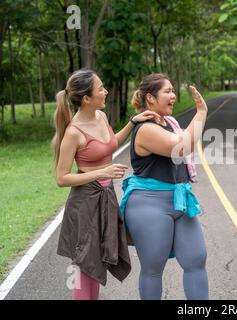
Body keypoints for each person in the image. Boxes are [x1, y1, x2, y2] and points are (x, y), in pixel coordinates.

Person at [53, 69, 158, 300]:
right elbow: (62, 178)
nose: (106, 91)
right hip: (85, 202)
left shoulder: (101, 117)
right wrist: (102, 171)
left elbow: (110, 144)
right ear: (87, 98)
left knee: (98, 261)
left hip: (106, 196)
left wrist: (132, 122)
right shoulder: (73, 132)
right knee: (85, 265)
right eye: (100, 88)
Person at [120, 73, 209, 300]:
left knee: (196, 260)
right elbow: (181, 147)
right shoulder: (146, 128)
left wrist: (200, 115)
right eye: (167, 91)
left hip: (180, 199)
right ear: (150, 98)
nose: (173, 96)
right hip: (149, 204)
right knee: (153, 268)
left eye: (173, 91)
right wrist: (200, 114)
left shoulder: (169, 123)